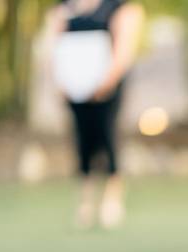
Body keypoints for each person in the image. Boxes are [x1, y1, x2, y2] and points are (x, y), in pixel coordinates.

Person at [45, 0, 144, 229]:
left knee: (108, 136)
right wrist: (60, 80)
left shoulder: (118, 7)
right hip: (74, 87)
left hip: (106, 86)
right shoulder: (64, 7)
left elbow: (124, 48)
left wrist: (106, 82)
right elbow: (52, 44)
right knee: (82, 138)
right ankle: (85, 201)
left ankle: (112, 200)